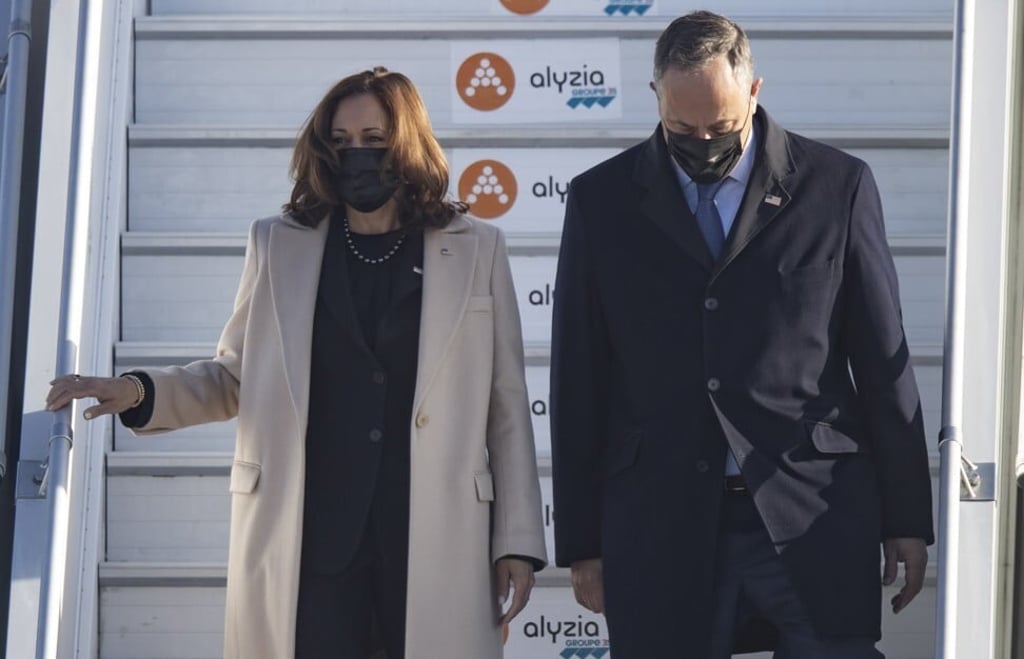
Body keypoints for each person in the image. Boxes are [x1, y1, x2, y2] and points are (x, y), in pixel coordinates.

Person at [47, 67, 547, 659]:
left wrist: (514, 541)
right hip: (308, 537)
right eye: (341, 142)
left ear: (408, 140)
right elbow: (234, 374)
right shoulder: (277, 243)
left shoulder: (476, 247)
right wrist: (138, 391)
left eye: (374, 139)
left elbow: (506, 405)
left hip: (435, 535)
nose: (356, 154)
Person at [550, 11, 933, 658]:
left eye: (722, 125)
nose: (703, 140)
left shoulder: (836, 187)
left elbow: (881, 361)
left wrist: (906, 520)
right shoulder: (601, 201)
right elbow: (579, 379)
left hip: (812, 518)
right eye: (681, 127)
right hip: (660, 524)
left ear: (754, 91)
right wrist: (582, 544)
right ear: (655, 98)